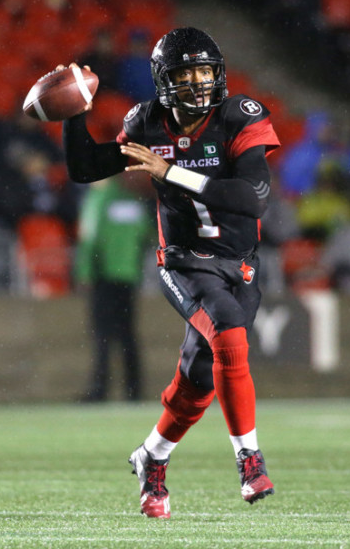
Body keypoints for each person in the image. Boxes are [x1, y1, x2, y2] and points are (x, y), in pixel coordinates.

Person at [61, 27, 279, 519]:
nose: (200, 82)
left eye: (206, 71)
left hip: (240, 264)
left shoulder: (238, 117)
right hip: (183, 261)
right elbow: (85, 168)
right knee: (229, 332)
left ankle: (151, 457)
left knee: (199, 377)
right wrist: (75, 114)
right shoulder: (147, 123)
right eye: (187, 73)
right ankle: (249, 459)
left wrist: (170, 173)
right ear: (164, 79)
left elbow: (254, 199)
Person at [75, 176, 151, 402]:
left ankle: (100, 389)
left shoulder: (98, 199)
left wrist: (85, 274)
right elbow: (147, 234)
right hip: (128, 274)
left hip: (103, 275)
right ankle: (133, 389)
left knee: (102, 335)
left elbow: (90, 239)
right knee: (127, 334)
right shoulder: (131, 200)